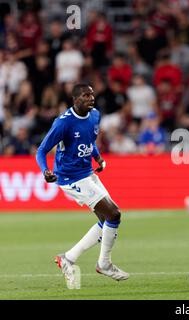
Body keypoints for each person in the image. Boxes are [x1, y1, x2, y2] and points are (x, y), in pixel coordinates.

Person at [36, 84, 129, 289]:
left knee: (107, 221)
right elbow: (41, 151)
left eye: (92, 95)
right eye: (86, 96)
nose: (91, 98)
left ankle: (68, 258)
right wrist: (45, 171)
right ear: (75, 99)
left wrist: (98, 157)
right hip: (70, 178)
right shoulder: (63, 123)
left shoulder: (95, 115)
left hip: (87, 173)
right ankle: (104, 263)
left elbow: (90, 140)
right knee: (114, 214)